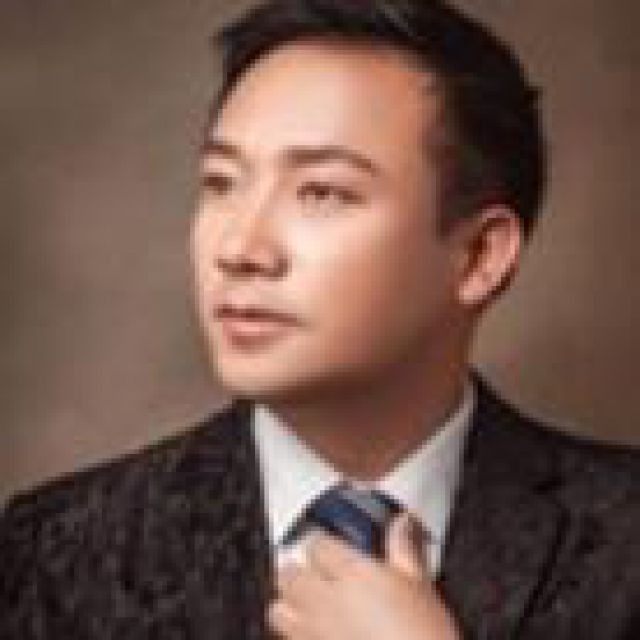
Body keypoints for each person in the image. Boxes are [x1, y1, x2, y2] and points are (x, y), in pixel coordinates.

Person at [1, 0, 639, 638]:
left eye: (323, 192)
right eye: (221, 182)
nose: (240, 249)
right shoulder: (54, 554)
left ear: (478, 255)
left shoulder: (620, 540)